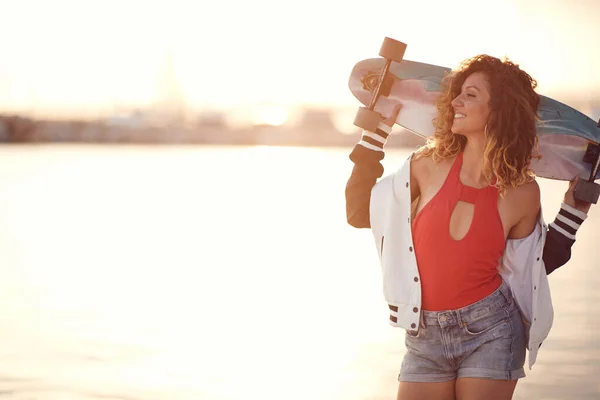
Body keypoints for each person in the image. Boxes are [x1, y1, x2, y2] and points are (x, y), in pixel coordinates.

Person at [345, 54, 593, 400]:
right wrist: (375, 135)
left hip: (492, 330)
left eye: (471, 95)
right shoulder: (426, 166)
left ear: (499, 111)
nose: (456, 101)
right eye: (458, 93)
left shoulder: (521, 192)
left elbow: (534, 268)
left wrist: (574, 211)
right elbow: (359, 212)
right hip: (424, 335)